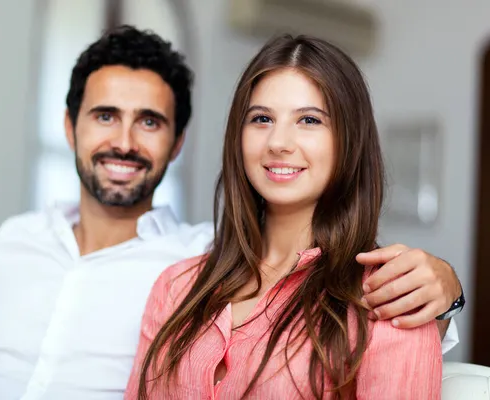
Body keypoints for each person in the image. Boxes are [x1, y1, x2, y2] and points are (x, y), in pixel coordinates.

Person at [0, 26, 460, 399]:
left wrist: (447, 291)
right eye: (105, 115)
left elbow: (382, 315)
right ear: (70, 127)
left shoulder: (188, 256)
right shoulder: (25, 246)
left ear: (178, 142)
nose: (124, 141)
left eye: (150, 121)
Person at [125, 34, 444, 400]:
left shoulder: (388, 298)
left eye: (309, 120)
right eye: (261, 118)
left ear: (349, 140)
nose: (278, 142)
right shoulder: (176, 288)